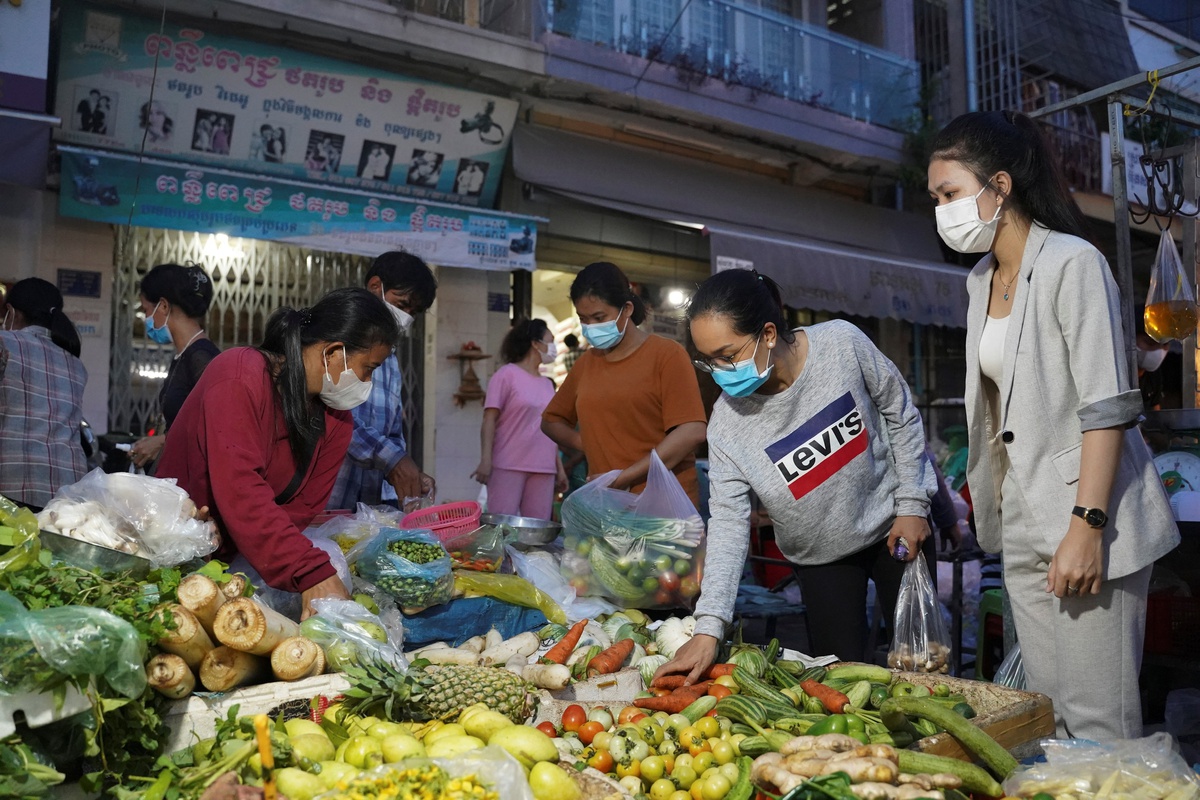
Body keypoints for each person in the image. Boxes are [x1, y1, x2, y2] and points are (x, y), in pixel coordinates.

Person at [927, 110, 1179, 739]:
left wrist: (1087, 527)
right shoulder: (979, 280)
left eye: (950, 193)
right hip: (1022, 519)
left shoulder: (1073, 262)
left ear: (1001, 185)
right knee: (1049, 715)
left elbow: (1107, 406)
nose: (942, 209)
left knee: (1100, 719)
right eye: (936, 197)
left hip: (1089, 517)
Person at [653, 269, 935, 680]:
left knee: (926, 665)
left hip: (893, 527)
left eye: (728, 356)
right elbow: (730, 523)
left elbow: (900, 412)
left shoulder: (841, 344)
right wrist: (710, 624)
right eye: (708, 361)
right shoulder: (728, 424)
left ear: (768, 334)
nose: (719, 371)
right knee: (842, 682)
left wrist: (912, 505)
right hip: (820, 559)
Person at [157, 288, 397, 618]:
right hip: (174, 548)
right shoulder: (239, 375)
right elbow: (242, 491)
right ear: (333, 353)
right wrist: (310, 572)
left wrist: (309, 569)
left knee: (329, 562)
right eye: (368, 368)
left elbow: (301, 510)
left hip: (242, 555)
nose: (367, 381)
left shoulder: (337, 421)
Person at [542, 261, 707, 505]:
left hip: (663, 506)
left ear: (627, 309)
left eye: (599, 317)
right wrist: (590, 442)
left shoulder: (666, 355)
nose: (591, 327)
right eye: (584, 319)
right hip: (608, 505)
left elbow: (692, 431)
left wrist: (625, 477)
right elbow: (551, 422)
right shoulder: (587, 363)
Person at [327, 251, 438, 510]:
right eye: (401, 305)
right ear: (375, 287)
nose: (407, 316)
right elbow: (332, 418)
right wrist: (394, 460)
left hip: (367, 506)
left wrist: (407, 478)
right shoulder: (337, 338)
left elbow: (393, 433)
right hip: (326, 497)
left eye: (414, 311)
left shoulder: (391, 360)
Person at [0, 278, 87, 511]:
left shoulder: (5, 343)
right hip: (68, 495)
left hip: (11, 489)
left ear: (11, 312)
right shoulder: (76, 365)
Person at [471, 319, 568, 518]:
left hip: (544, 467)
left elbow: (550, 428)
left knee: (535, 534)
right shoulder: (506, 375)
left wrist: (559, 468)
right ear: (535, 343)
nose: (554, 347)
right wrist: (486, 459)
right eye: (550, 341)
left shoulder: (547, 384)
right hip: (508, 464)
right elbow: (489, 419)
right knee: (502, 528)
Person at [129, 263, 220, 470]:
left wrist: (161, 441)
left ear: (163, 306)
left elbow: (216, 425)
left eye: (146, 310)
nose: (146, 320)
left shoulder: (201, 358)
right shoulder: (184, 355)